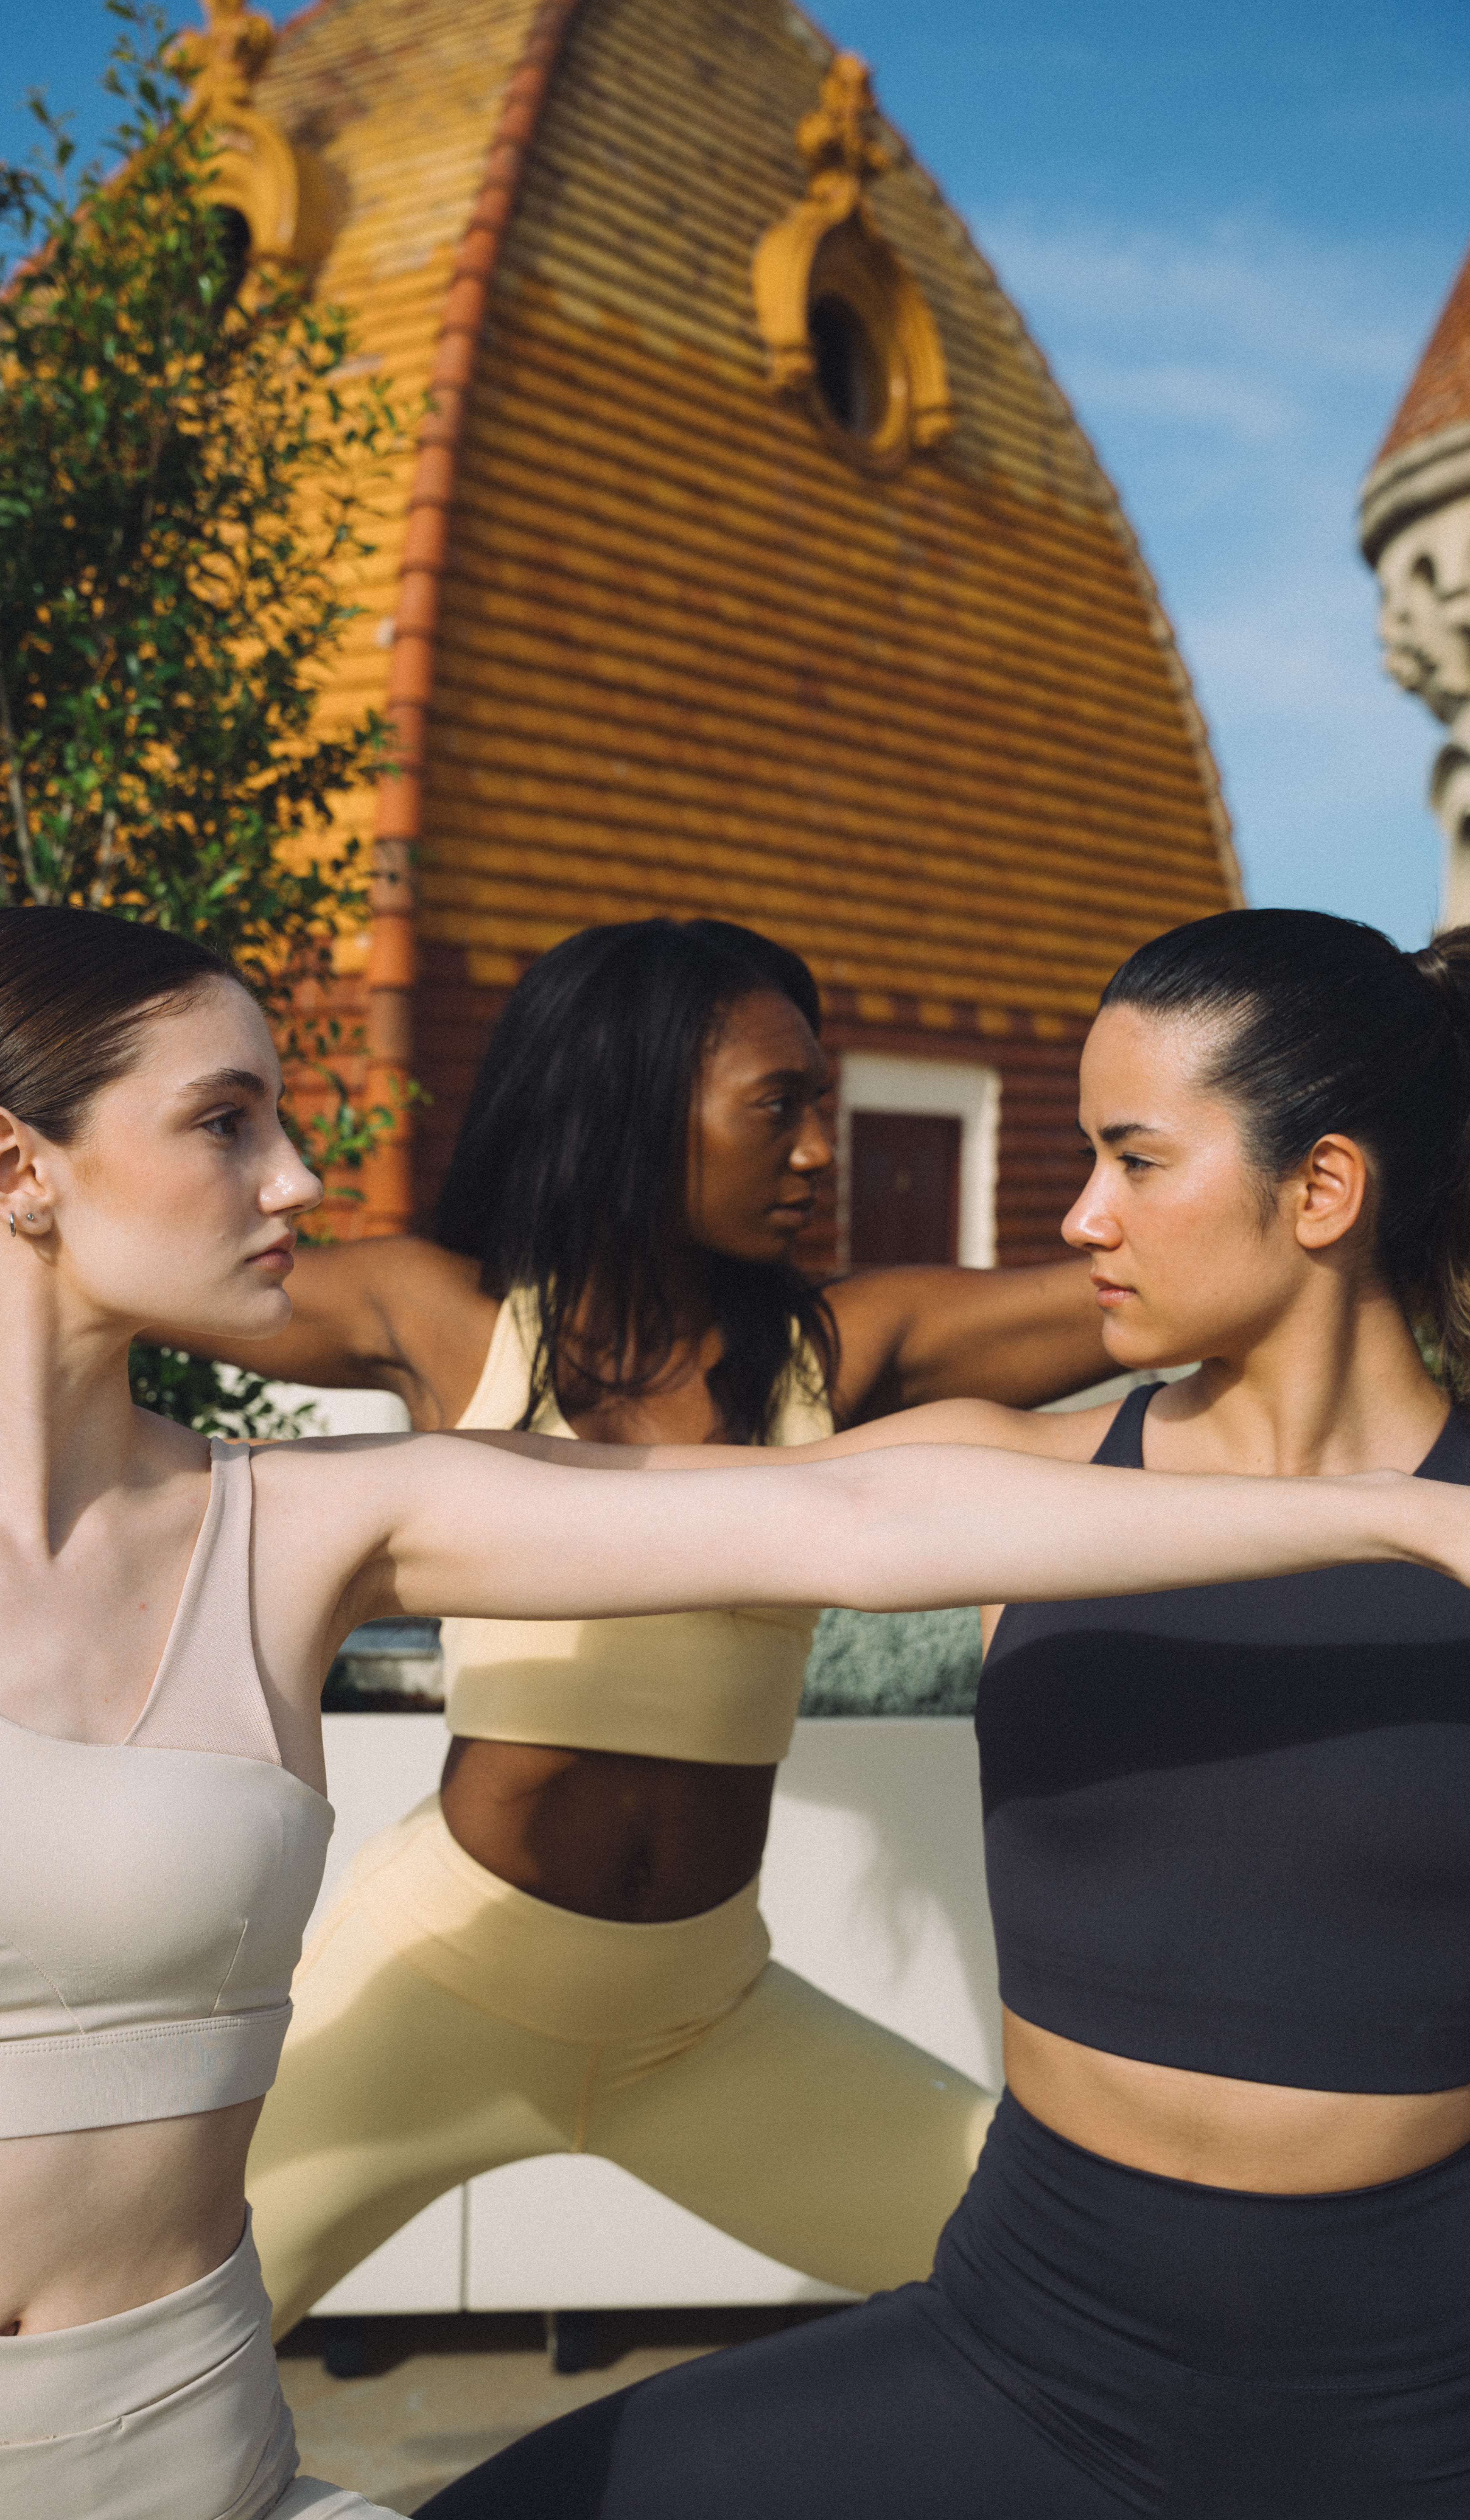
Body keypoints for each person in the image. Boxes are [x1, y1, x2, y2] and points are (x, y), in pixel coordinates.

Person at [416, 907, 1470, 2520]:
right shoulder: (1014, 1482)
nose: (1083, 1217)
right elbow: (571, 1514)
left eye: (1136, 1161)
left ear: (1321, 1189)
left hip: (1407, 2416)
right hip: (1033, 2357)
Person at [174, 917, 1119, 2330]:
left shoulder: (841, 1351)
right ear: (631, 1104)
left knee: (1087, 2291)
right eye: (778, 1106)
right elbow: (116, 1277)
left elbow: (1153, 1306)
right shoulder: (446, 1319)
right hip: (437, 1984)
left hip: (706, 2020)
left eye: (822, 1103)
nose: (820, 1149)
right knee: (139, 2356)